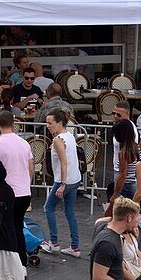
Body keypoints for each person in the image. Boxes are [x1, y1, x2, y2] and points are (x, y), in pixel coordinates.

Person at [0, 111, 32, 266]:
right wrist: (27, 183)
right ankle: (22, 262)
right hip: (24, 191)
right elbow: (30, 168)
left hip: (7, 192)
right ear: (13, 124)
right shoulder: (24, 143)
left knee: (7, 229)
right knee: (18, 226)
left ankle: (10, 263)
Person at [39, 109, 81, 257]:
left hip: (65, 180)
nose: (48, 126)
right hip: (75, 179)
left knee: (48, 208)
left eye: (50, 123)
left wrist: (62, 184)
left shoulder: (58, 140)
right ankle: (75, 247)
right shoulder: (69, 136)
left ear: (59, 123)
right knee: (69, 211)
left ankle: (54, 243)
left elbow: (64, 163)